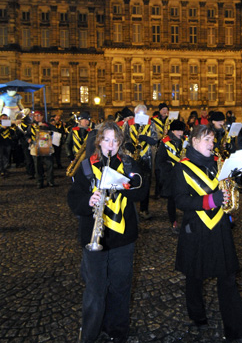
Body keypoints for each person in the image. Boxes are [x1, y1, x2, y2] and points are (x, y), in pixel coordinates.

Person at [172, 125, 242, 342]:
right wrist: (210, 200)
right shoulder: (182, 168)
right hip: (196, 229)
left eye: (212, 140)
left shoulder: (218, 163)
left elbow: (224, 189)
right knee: (194, 277)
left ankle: (237, 332)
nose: (212, 143)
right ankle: (197, 315)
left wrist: (230, 188)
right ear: (194, 142)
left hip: (219, 227)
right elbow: (180, 200)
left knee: (227, 278)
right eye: (207, 139)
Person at [67, 120, 145, 343]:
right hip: (94, 235)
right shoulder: (85, 167)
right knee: (95, 289)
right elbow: (73, 199)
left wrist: (126, 186)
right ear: (99, 142)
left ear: (120, 143)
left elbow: (141, 193)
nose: (110, 145)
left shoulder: (129, 165)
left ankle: (117, 331)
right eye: (106, 140)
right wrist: (88, 200)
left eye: (115, 140)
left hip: (123, 237)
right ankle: (90, 333)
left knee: (121, 287)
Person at [123, 104, 158, 220]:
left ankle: (144, 209)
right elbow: (124, 137)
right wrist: (128, 144)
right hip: (131, 157)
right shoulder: (128, 123)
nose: (141, 116)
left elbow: (155, 139)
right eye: (138, 114)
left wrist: (147, 139)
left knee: (146, 183)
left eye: (143, 114)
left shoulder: (150, 123)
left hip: (146, 157)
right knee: (130, 183)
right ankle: (130, 208)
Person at [155, 119, 186, 233]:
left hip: (184, 175)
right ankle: (173, 222)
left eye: (181, 130)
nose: (180, 133)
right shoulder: (165, 142)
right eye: (177, 130)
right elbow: (160, 161)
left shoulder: (185, 140)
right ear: (172, 131)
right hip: (171, 175)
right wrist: (171, 168)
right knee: (172, 200)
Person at [26, 110, 56, 188]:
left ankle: (50, 181)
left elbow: (55, 132)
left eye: (38, 115)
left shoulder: (48, 124)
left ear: (42, 117)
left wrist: (47, 128)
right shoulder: (31, 126)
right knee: (38, 166)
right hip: (35, 148)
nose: (37, 117)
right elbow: (27, 135)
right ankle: (39, 182)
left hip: (46, 147)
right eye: (35, 116)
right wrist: (28, 139)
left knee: (50, 165)